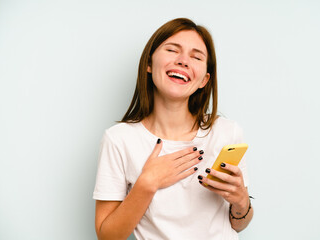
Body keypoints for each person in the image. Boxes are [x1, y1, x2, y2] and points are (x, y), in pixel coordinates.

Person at [93, 18, 253, 240]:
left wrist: (241, 201)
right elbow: (107, 236)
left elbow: (239, 224)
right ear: (149, 64)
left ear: (204, 80)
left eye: (196, 57)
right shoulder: (118, 140)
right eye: (172, 50)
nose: (183, 61)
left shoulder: (228, 133)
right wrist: (147, 183)